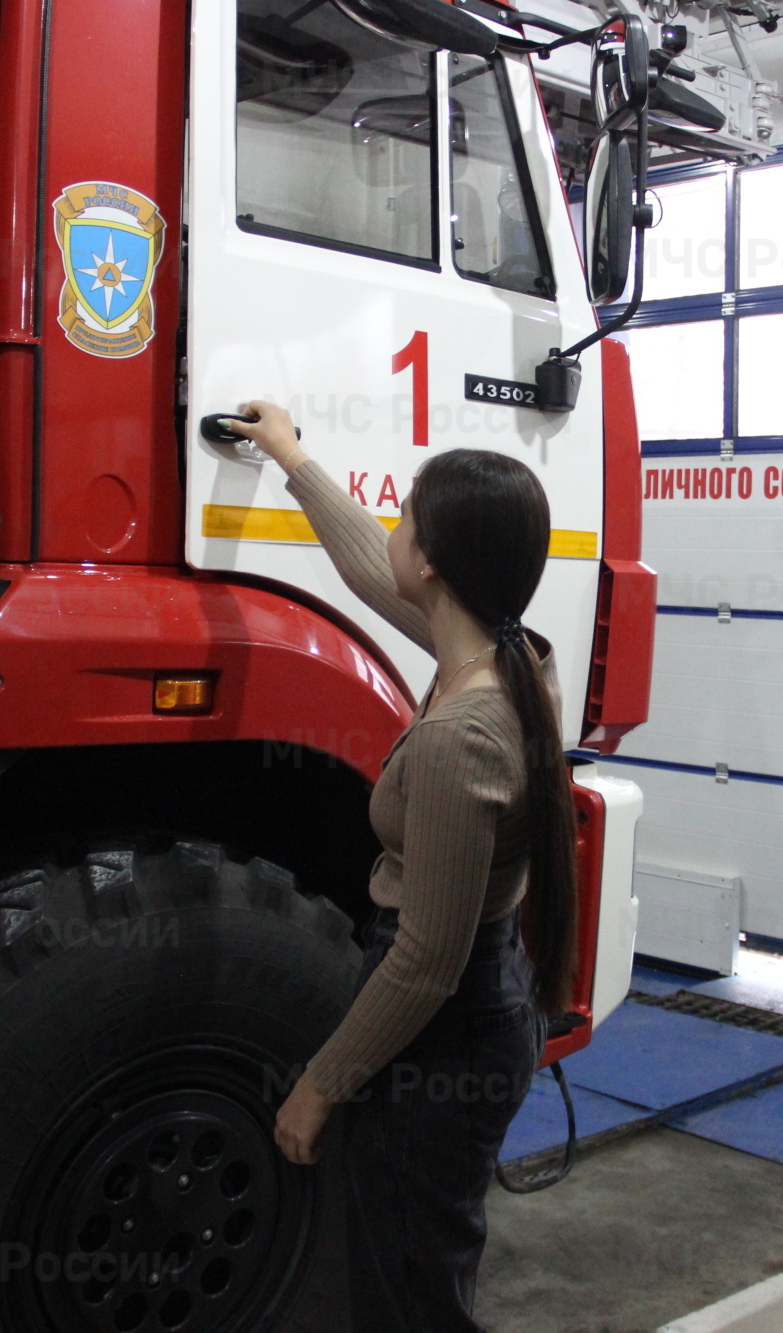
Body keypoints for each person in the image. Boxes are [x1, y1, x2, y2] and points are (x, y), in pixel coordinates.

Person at [223, 402, 577, 1332]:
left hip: (447, 1030)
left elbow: (423, 960)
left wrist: (318, 1085)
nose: (391, 528)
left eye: (405, 515)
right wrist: (290, 457)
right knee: (414, 1271)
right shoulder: (508, 657)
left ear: (432, 565)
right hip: (468, 1011)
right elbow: (361, 566)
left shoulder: (465, 736)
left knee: (410, 1295)